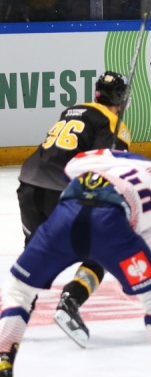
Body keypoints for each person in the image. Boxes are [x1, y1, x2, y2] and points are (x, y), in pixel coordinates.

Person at [0, 147, 151, 377]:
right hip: (111, 226)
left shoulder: (132, 160)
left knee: (20, 290)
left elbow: (73, 166)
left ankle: (2, 367)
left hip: (66, 213)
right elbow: (141, 253)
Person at [16, 71, 132, 348]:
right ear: (121, 99)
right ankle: (70, 301)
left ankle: (13, 317)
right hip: (60, 190)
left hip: (28, 183)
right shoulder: (115, 124)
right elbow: (102, 168)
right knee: (100, 251)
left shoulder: (72, 111)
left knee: (34, 256)